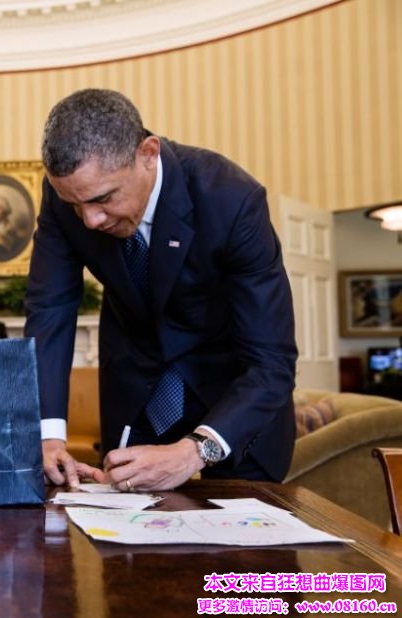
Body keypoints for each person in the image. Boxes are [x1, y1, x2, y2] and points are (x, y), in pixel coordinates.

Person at [25, 88, 297, 491]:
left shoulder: (231, 199)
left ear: (148, 154)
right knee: (124, 547)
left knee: (244, 550)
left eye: (103, 199)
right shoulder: (67, 198)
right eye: (75, 205)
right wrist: (49, 436)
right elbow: (50, 310)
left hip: (231, 406)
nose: (90, 221)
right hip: (137, 397)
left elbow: (272, 361)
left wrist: (194, 451)